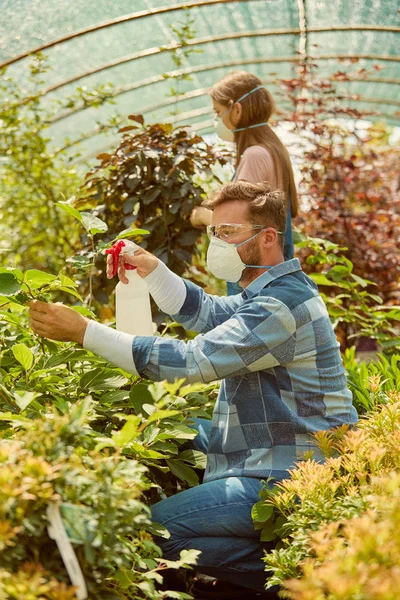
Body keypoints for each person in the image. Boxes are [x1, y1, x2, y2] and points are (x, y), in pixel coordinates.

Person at [29, 181, 357, 598]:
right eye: (214, 232)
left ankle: (301, 574)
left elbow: (193, 361)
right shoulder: (274, 291)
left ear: (269, 238)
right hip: (274, 450)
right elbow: (207, 312)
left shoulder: (281, 306)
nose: (217, 243)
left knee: (148, 533)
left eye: (229, 233)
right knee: (178, 425)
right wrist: (151, 268)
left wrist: (84, 332)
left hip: (288, 474)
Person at [191, 70, 298, 271]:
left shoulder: (255, 155)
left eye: (217, 112)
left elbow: (233, 224)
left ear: (236, 109)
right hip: (272, 270)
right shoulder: (274, 150)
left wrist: (198, 215)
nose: (217, 119)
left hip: (256, 271)